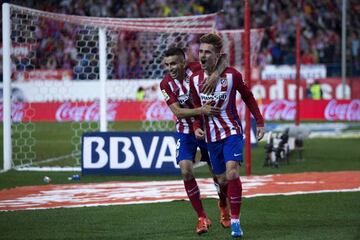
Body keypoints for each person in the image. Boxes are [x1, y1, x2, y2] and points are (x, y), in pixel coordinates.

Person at [189, 33, 265, 238]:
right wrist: (197, 124)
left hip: (232, 131)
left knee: (232, 173)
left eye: (207, 52)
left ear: (218, 55)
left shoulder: (232, 75)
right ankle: (222, 203)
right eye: (201, 51)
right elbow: (196, 106)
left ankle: (236, 223)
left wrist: (259, 122)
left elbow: (247, 96)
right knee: (222, 180)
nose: (202, 56)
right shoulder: (194, 78)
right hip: (211, 138)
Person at [159, 47, 229, 235]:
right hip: (185, 132)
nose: (170, 68)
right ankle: (201, 217)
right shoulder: (165, 84)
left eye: (173, 63)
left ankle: (223, 204)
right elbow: (177, 112)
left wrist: (215, 76)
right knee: (186, 170)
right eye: (167, 65)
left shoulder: (198, 68)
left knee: (220, 177)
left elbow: (224, 60)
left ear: (183, 62)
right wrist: (200, 111)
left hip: (208, 129)